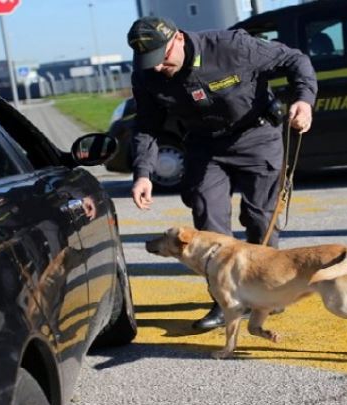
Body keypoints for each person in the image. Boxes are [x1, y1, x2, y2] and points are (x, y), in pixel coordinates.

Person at [126, 17, 318, 329]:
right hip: (205, 145)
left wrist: (304, 100)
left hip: (257, 138)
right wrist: (143, 173)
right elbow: (147, 125)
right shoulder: (147, 75)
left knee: (259, 219)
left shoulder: (232, 47)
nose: (158, 68)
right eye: (149, 63)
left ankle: (266, 294)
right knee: (207, 217)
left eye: (161, 60)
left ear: (177, 39)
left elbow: (295, 59)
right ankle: (224, 300)